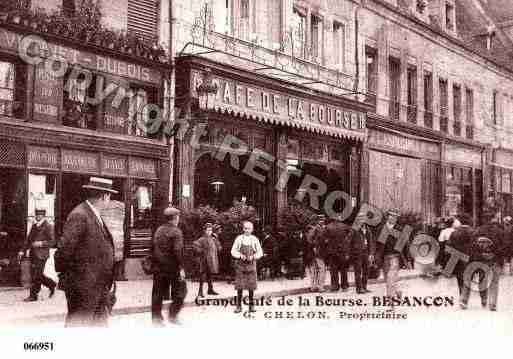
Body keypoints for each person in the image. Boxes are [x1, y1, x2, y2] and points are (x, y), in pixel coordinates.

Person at [54, 177, 116, 327]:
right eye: (109, 197)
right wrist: (72, 278)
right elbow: (64, 251)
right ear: (104, 196)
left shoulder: (93, 214)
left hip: (98, 287)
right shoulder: (80, 215)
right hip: (84, 288)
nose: (109, 200)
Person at [460, 211, 505, 311]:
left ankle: (464, 300)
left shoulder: (477, 231)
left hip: (481, 259)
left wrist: (479, 255)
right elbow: (504, 246)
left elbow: (473, 246)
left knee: (473, 278)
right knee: (494, 282)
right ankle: (492, 304)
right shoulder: (499, 231)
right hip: (495, 258)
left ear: (484, 220)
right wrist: (496, 254)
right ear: (493, 219)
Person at [151, 207, 186, 326]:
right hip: (173, 268)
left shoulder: (159, 230)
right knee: (181, 292)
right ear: (175, 218)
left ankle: (156, 319)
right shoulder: (177, 232)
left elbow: (153, 247)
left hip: (159, 267)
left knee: (157, 293)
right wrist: (181, 268)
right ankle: (173, 316)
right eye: (178, 217)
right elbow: (178, 251)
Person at [19, 209, 56, 302]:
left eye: (40, 215)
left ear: (44, 216)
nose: (38, 217)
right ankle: (51, 284)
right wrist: (22, 251)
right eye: (37, 215)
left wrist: (41, 243)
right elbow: (28, 240)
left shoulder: (48, 226)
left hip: (42, 255)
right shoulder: (34, 226)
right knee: (36, 274)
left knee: (36, 275)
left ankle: (33, 295)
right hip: (33, 254)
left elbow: (52, 241)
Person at [376, 209, 410, 300]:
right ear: (387, 217)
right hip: (384, 258)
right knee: (388, 278)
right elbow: (377, 244)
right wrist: (376, 256)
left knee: (391, 277)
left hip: (395, 257)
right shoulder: (381, 229)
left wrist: (408, 259)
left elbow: (405, 245)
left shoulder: (400, 229)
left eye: (395, 216)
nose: (393, 218)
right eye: (391, 215)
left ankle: (390, 299)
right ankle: (398, 291)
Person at [231, 221, 263, 313]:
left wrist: (253, 256)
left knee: (251, 286)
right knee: (239, 286)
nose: (247, 230)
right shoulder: (239, 239)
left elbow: (260, 252)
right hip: (241, 265)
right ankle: (238, 306)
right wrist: (240, 255)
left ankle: (251, 306)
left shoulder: (255, 239)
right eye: (245, 228)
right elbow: (233, 251)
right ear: (243, 229)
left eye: (249, 228)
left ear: (252, 229)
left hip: (251, 265)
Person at [447, 214, 474, 302]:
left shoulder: (454, 232)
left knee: (460, 278)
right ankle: (465, 298)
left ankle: (462, 296)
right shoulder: (473, 232)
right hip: (470, 259)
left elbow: (448, 247)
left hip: (457, 259)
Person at [193, 223, 222, 298]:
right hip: (204, 260)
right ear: (205, 231)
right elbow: (195, 245)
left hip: (212, 260)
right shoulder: (202, 239)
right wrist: (202, 251)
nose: (209, 232)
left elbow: (219, 248)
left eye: (211, 230)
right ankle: (200, 291)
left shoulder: (214, 239)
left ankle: (210, 289)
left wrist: (217, 240)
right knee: (202, 275)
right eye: (208, 230)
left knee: (210, 275)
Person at [350, 213, 376, 294]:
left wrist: (371, 254)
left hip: (366, 252)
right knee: (358, 271)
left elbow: (371, 241)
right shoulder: (354, 229)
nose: (362, 220)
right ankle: (359, 288)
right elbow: (349, 241)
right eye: (360, 218)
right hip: (357, 253)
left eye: (364, 218)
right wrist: (353, 250)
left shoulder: (367, 228)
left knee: (366, 270)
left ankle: (364, 287)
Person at [324, 218, 352, 292]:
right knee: (343, 270)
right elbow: (350, 237)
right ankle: (345, 286)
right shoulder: (345, 226)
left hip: (332, 251)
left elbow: (325, 240)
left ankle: (335, 286)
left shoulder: (328, 227)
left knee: (333, 270)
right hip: (342, 251)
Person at [304, 221, 328, 292]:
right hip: (318, 253)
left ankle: (313, 286)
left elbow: (309, 241)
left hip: (312, 254)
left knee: (314, 271)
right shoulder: (318, 230)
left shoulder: (310, 230)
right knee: (322, 269)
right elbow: (315, 241)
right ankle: (320, 287)